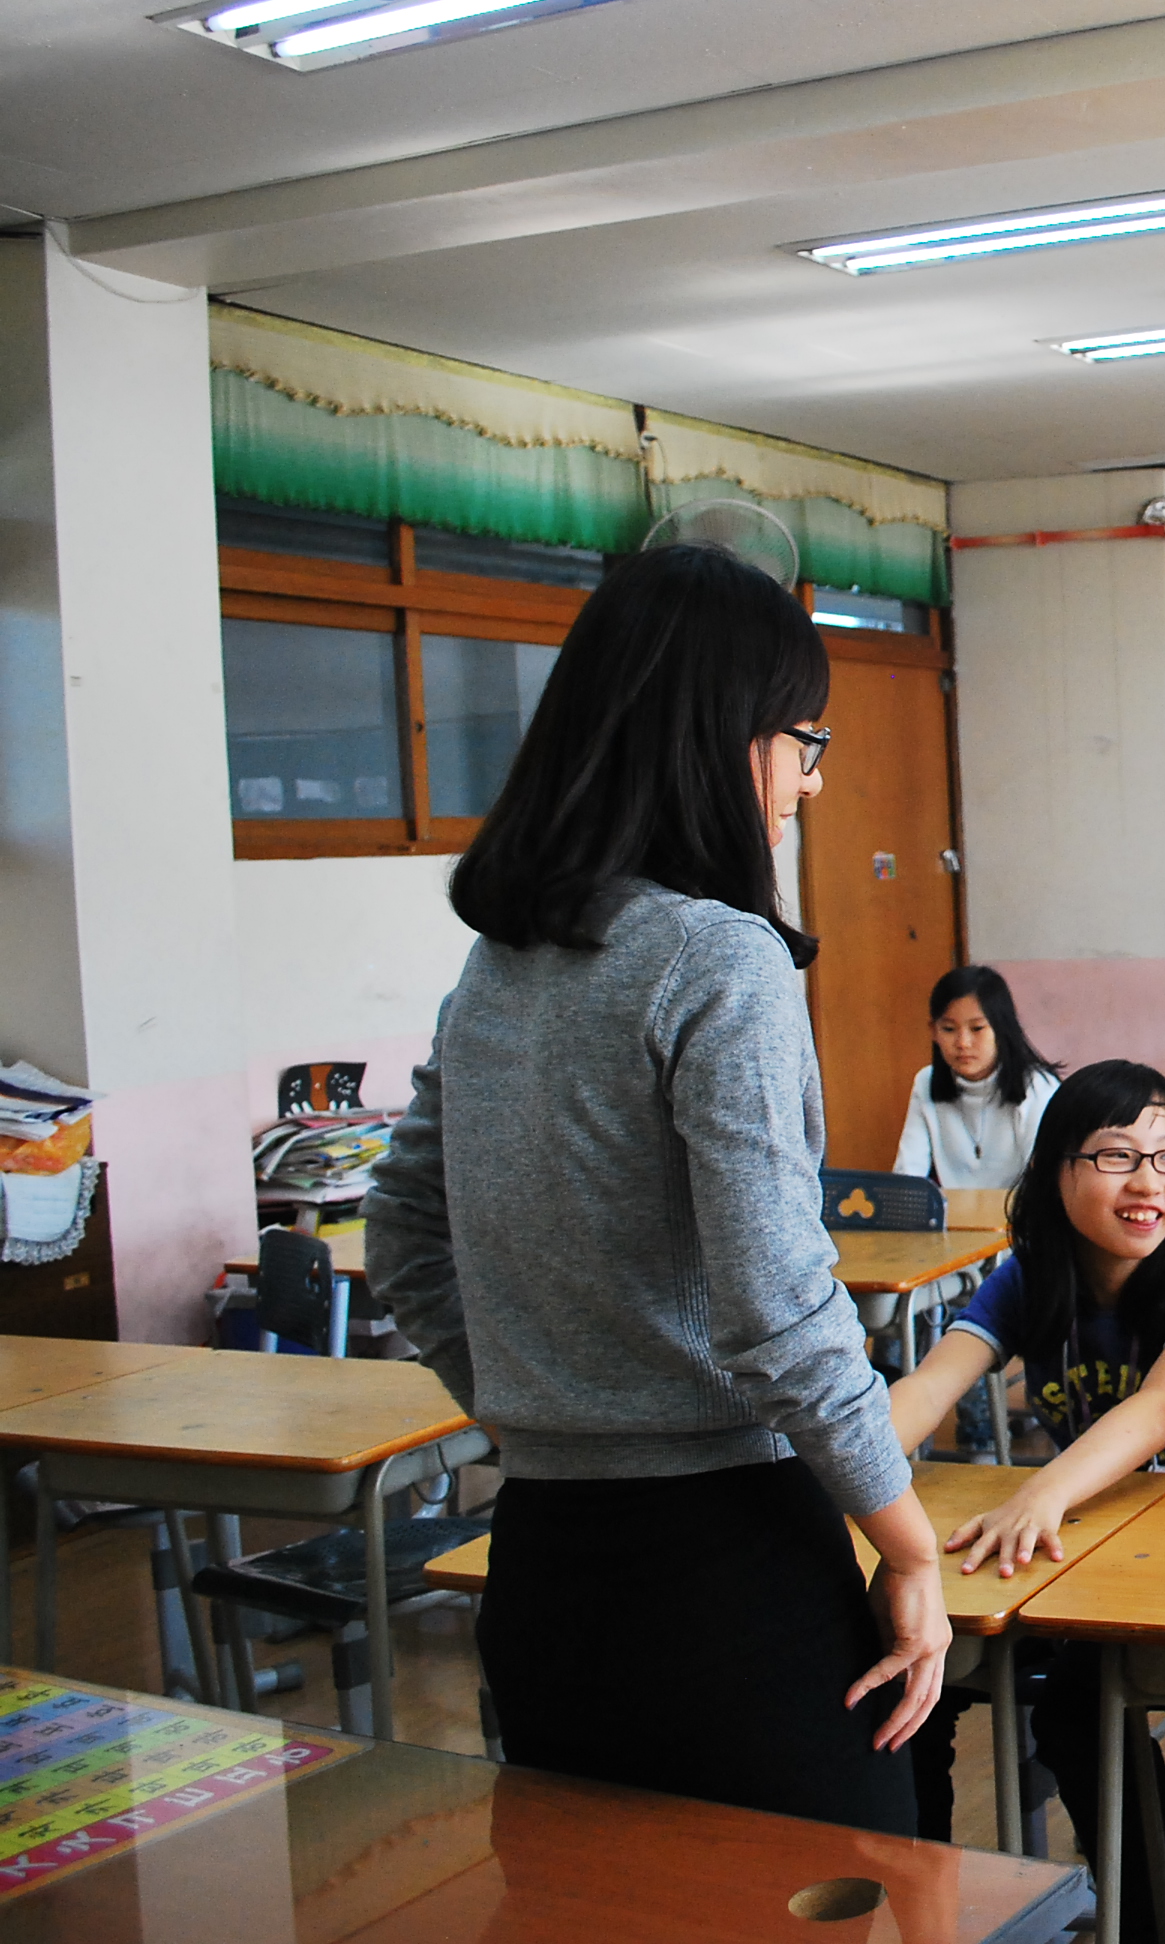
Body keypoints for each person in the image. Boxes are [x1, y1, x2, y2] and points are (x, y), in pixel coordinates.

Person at [367, 543, 948, 1836]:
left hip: (543, 1560)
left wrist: (537, 1408)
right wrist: (909, 1546)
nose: (810, 777)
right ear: (722, 737)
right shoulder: (717, 957)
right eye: (803, 738)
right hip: (727, 1570)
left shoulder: (506, 959)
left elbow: (399, 1234)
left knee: (591, 1909)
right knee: (828, 1902)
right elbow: (777, 1307)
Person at [887, 1060, 1165, 1940]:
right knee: (916, 1658)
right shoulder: (1031, 1275)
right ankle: (921, 1912)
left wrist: (1041, 1493)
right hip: (1094, 1519)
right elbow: (929, 1387)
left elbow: (1164, 1406)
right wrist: (849, 1474)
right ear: (1055, 1168)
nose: (1149, 1183)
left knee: (1079, 1702)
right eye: (1115, 1156)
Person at [893, 964, 1061, 1188]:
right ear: (933, 1031)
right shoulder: (926, 1082)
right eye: (949, 1029)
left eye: (977, 1028)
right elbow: (908, 1173)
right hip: (954, 1210)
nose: (963, 1043)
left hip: (1020, 1209)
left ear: (1001, 1029)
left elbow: (1045, 1178)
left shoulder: (1037, 1087)